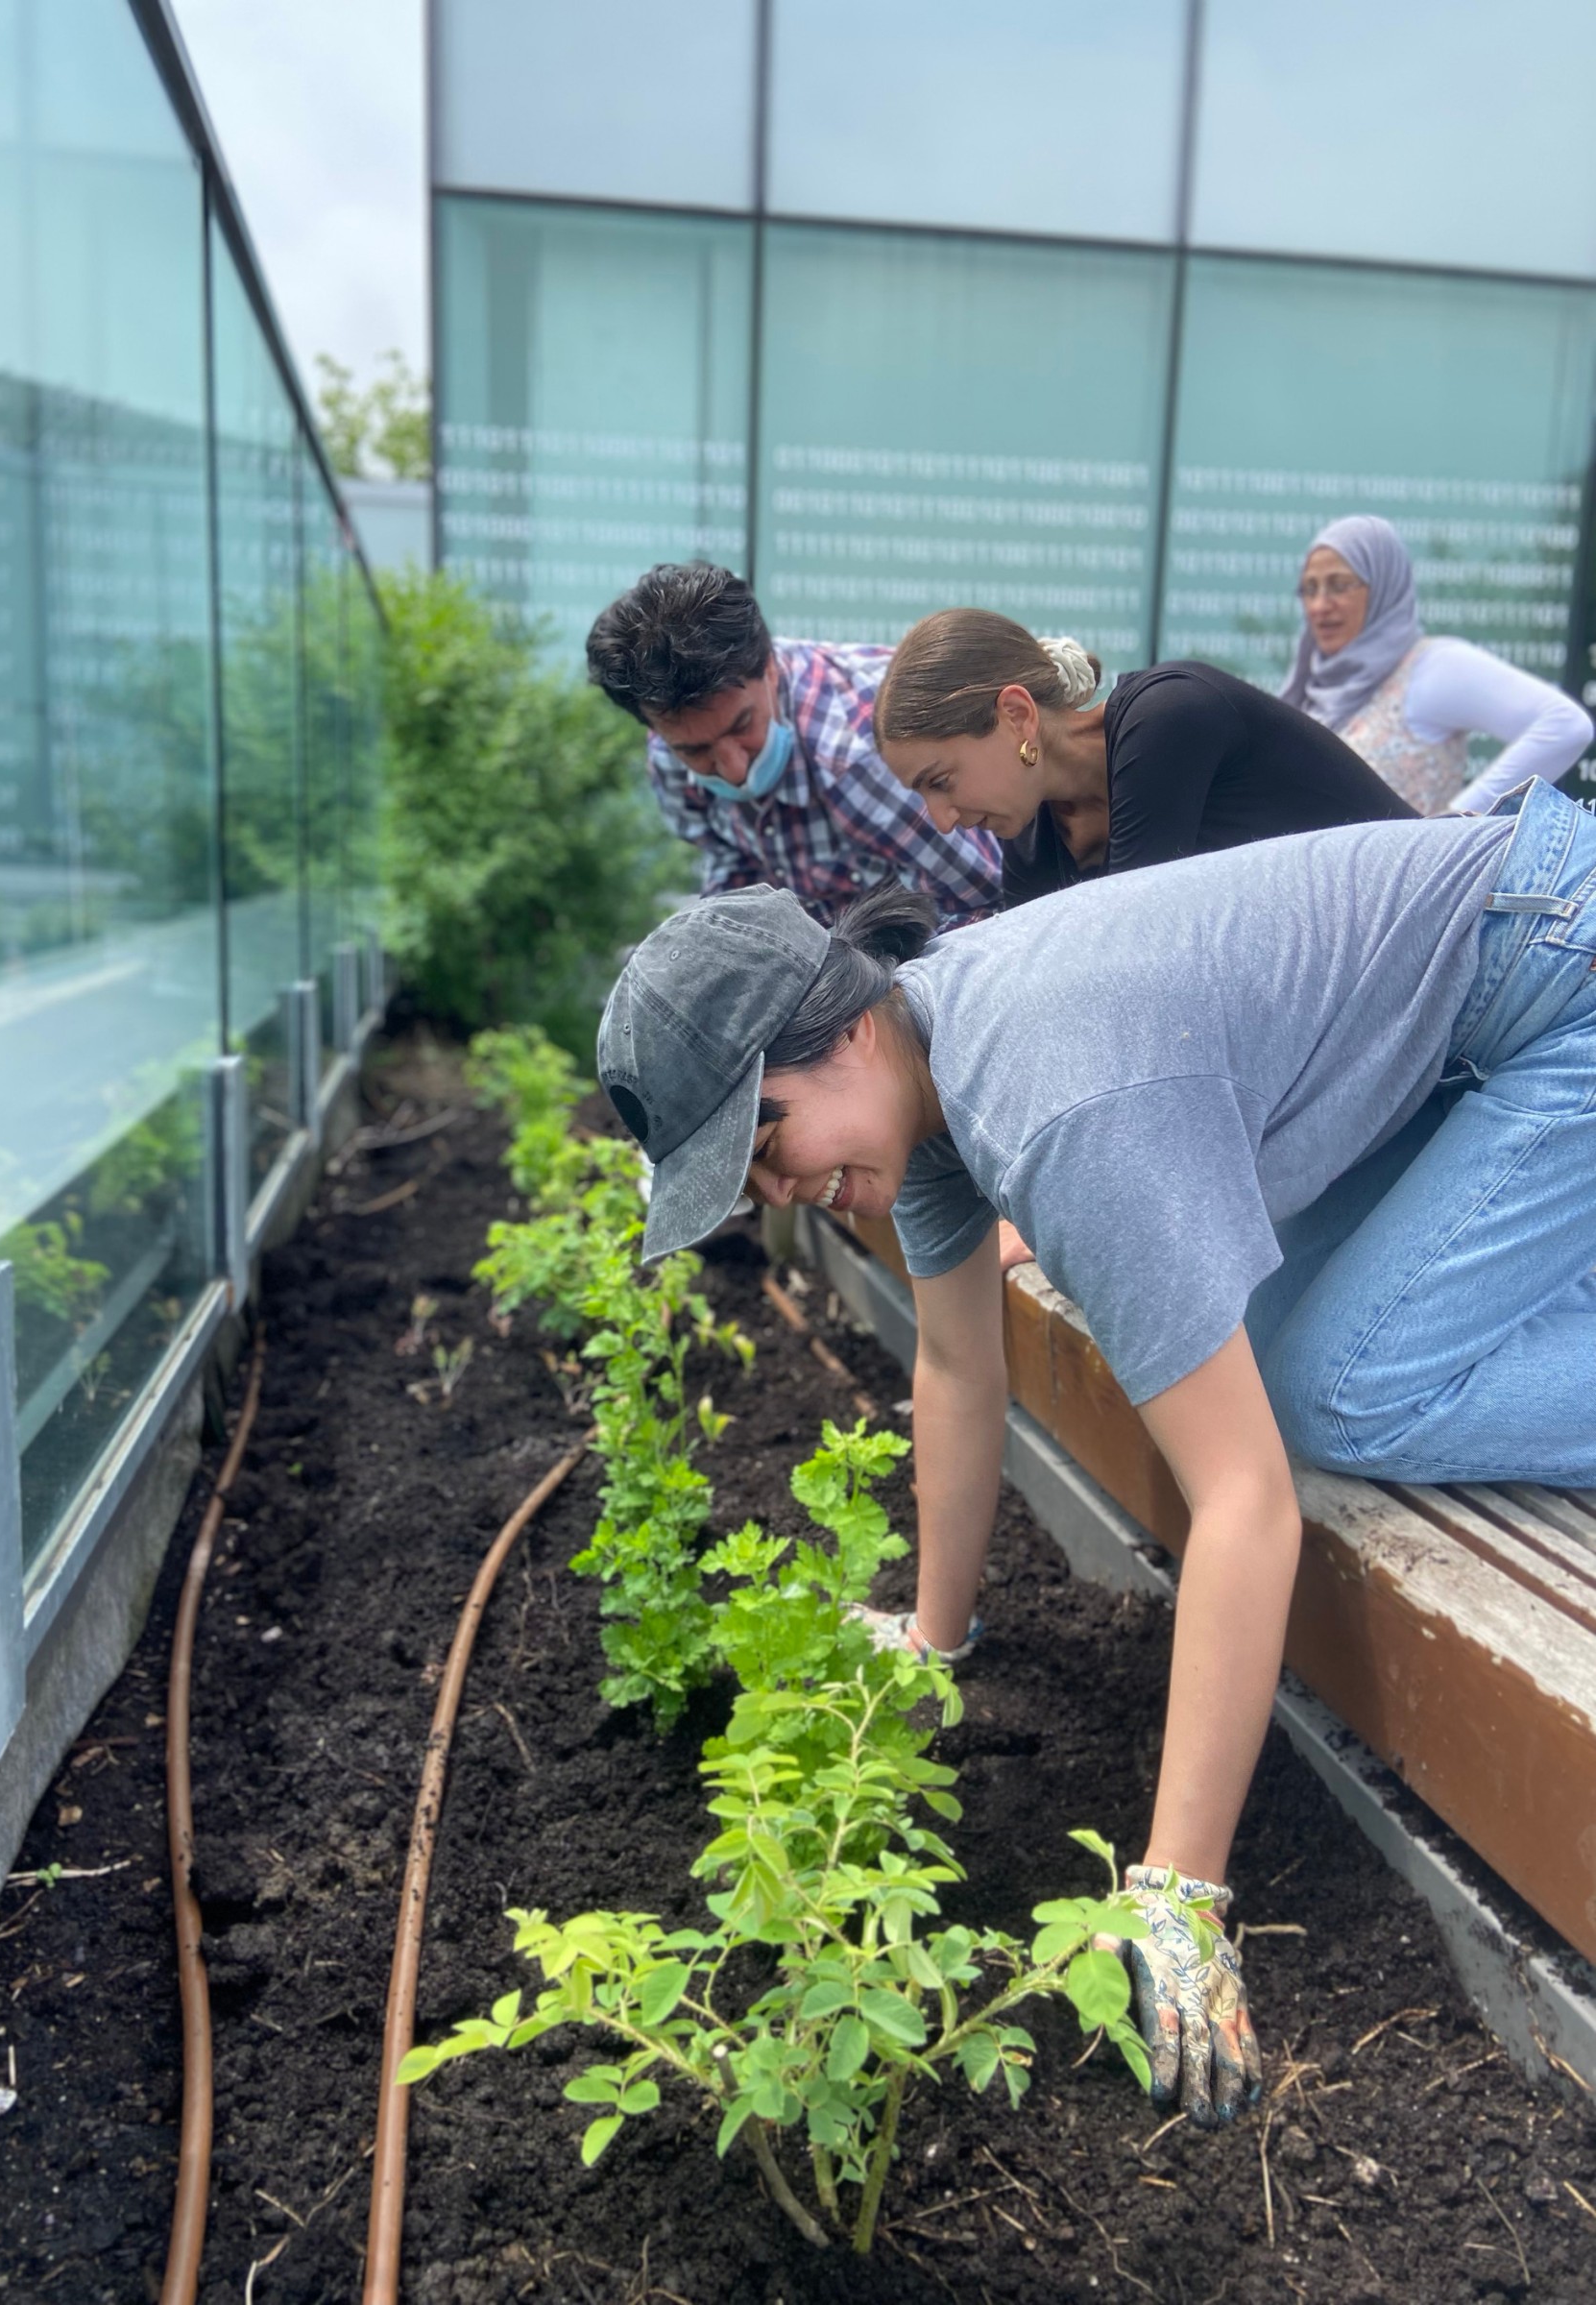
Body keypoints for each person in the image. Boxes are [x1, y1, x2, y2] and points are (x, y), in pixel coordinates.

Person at [595, 777, 1596, 2128]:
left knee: (1345, 1394)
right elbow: (960, 1366)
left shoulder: (1055, 1104)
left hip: (1564, 968)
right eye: (746, 1185)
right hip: (1496, 996)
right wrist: (934, 1638)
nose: (778, 1192)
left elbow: (1243, 1504)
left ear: (838, 1033)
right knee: (1286, 1345)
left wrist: (1178, 1889)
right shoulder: (927, 1072)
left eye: (763, 1140)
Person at [872, 608, 1415, 908]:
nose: (941, 820)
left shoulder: (1170, 717)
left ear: (1017, 715)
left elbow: (1131, 951)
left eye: (941, 780)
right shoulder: (1033, 840)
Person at [586, 563, 1000, 926]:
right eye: (696, 751)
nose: (733, 769)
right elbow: (732, 872)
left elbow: (981, 904)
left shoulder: (859, 756)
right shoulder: (667, 760)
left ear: (769, 667)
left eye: (741, 726)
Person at [1281, 515, 1593, 816]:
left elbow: (1565, 725)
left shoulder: (1430, 669)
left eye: (1339, 585)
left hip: (1408, 856)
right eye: (1310, 589)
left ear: (1384, 586)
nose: (1320, 605)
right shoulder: (1309, 689)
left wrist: (1454, 823)